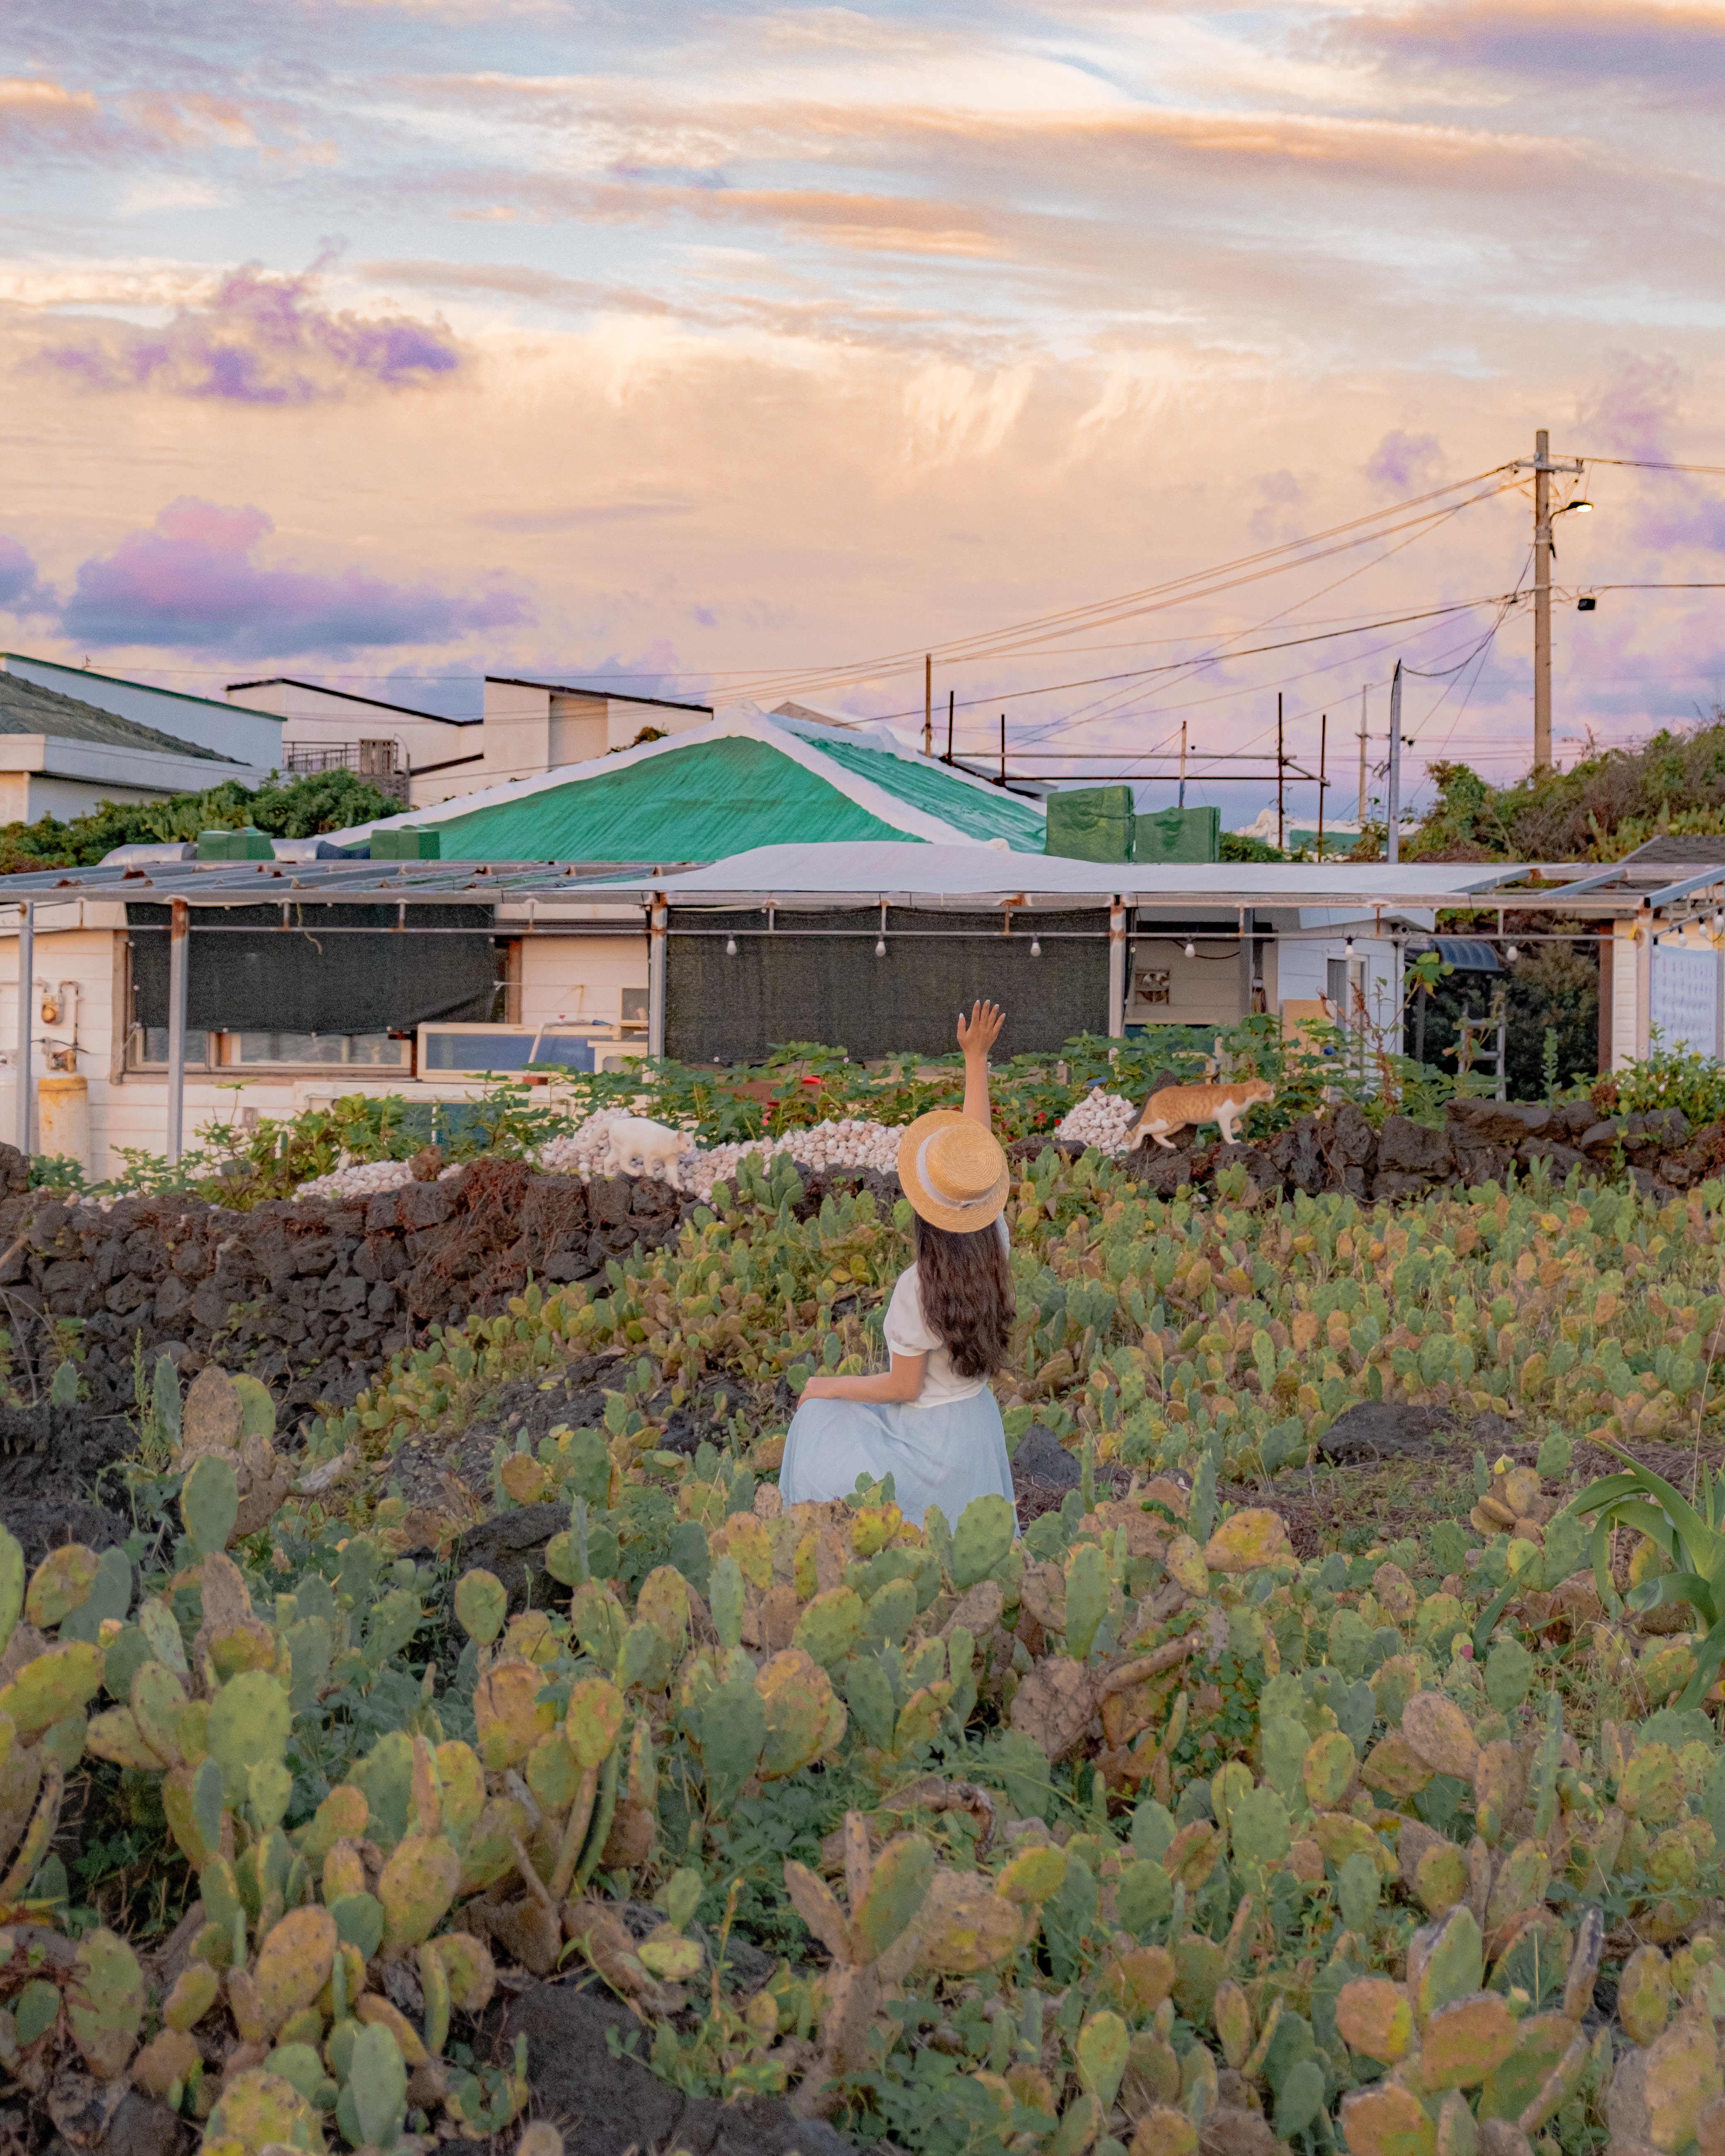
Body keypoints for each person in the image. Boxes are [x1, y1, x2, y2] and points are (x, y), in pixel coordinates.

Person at [778, 1000, 1017, 1526]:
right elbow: (975, 1158)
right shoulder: (993, 1243)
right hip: (976, 1429)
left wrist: (824, 1386)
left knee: (819, 1420)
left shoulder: (920, 1285)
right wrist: (975, 1061)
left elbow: (902, 1389)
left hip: (930, 1445)